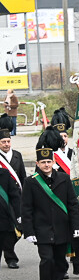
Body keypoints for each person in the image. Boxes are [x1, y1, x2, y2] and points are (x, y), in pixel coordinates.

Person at [22, 129, 79, 280]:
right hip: (42, 230)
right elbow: (26, 208)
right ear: (37, 164)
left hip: (62, 229)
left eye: (49, 161)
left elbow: (72, 204)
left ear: (53, 162)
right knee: (47, 261)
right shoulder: (31, 182)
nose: (46, 165)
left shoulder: (63, 179)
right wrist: (28, 231)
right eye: (43, 162)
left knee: (60, 264)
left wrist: (76, 225)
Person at [50, 107, 79, 279]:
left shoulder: (75, 153)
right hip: (57, 202)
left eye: (66, 136)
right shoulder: (50, 156)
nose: (63, 139)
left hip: (73, 200)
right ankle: (61, 267)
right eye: (60, 136)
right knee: (60, 236)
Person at [0, 114, 26, 269]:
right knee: (6, 228)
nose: (6, 144)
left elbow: (22, 176)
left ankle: (7, 248)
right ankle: (10, 257)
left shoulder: (17, 155)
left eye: (8, 141)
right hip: (2, 199)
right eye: (3, 142)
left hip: (16, 197)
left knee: (19, 227)